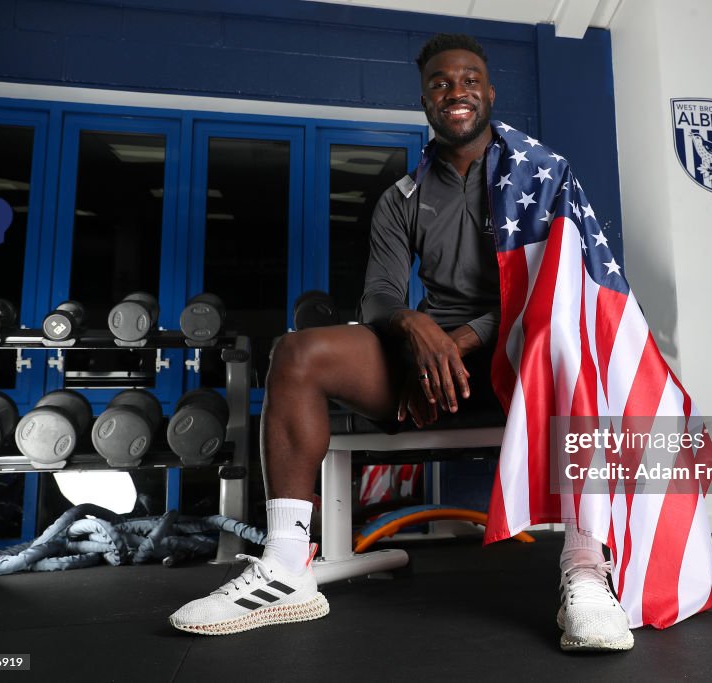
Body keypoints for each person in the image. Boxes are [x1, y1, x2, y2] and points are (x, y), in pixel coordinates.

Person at [169, 33, 633, 651]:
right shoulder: (402, 197)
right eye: (441, 83)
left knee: (571, 339)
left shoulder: (545, 177)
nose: (456, 91)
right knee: (296, 353)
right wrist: (415, 330)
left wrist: (461, 339)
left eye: (469, 79)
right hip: (427, 368)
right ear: (425, 101)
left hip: (525, 365)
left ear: (489, 93)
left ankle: (585, 569)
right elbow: (381, 297)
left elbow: (569, 289)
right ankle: (285, 566)